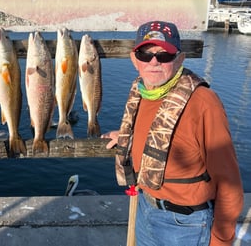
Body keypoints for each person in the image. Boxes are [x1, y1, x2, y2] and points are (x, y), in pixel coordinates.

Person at [102, 21, 243, 246]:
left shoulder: (204, 103)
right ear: (134, 59)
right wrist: (128, 137)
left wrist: (221, 240)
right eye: (145, 54)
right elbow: (164, 129)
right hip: (145, 209)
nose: (154, 62)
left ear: (179, 59)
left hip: (184, 225)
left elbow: (229, 181)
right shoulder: (144, 91)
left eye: (164, 55)